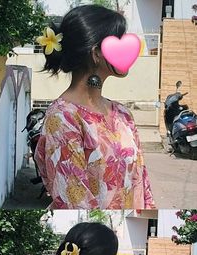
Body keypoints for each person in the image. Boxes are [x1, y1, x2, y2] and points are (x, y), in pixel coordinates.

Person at [34, 5, 155, 210]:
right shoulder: (63, 119)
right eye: (117, 42)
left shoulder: (123, 115)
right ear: (96, 53)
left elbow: (142, 183)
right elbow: (73, 200)